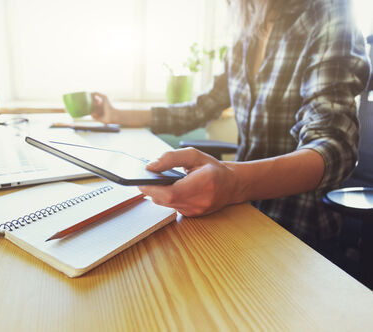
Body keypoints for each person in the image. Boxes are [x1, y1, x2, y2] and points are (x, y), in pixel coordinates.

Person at [90, 0, 371, 254]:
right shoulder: (246, 36)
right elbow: (200, 109)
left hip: (296, 227)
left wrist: (233, 182)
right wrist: (116, 113)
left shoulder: (330, 14)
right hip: (238, 211)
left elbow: (334, 148)